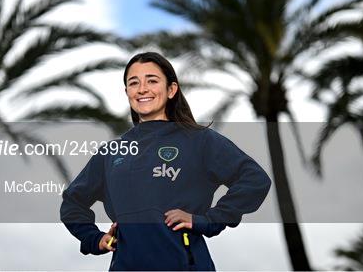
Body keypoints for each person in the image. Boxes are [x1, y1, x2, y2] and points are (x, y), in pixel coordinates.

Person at [60, 52, 272, 271]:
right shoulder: (112, 152)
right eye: (134, 83)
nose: (142, 89)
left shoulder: (198, 140)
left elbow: (254, 180)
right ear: (127, 93)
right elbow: (73, 202)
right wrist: (94, 238)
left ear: (171, 90)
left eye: (152, 80)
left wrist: (208, 220)